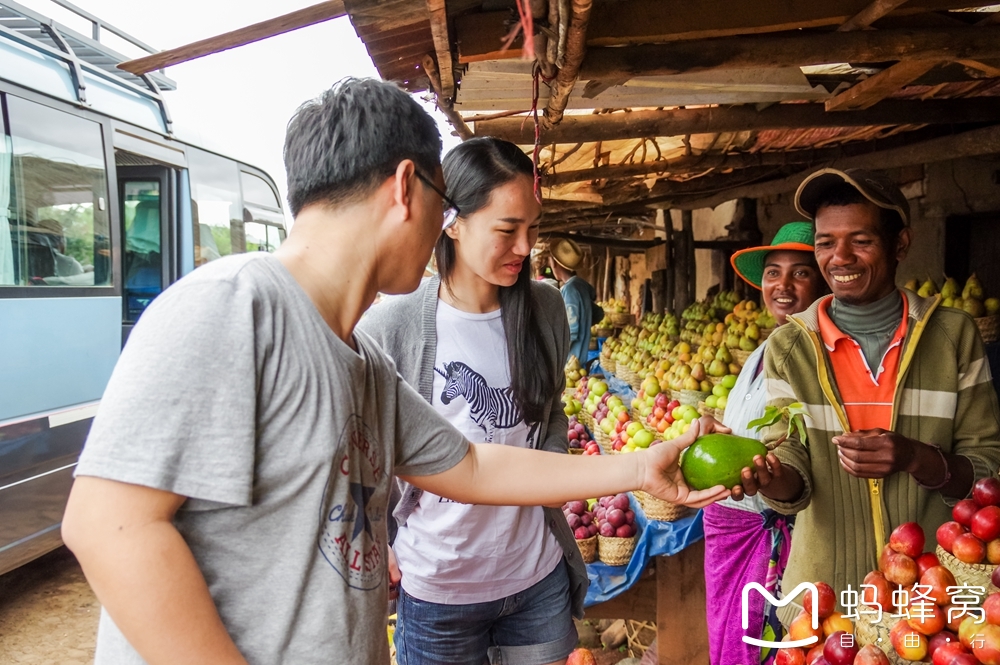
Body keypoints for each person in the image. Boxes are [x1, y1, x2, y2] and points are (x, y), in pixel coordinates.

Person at [60, 78, 729, 665]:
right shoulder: (233, 305)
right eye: (446, 200)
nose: (445, 221)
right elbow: (108, 525)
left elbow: (471, 466)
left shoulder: (366, 364)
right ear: (408, 186)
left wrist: (640, 467)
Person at [359, 137, 584, 665]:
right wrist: (380, 539)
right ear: (452, 222)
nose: (526, 248)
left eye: (533, 229)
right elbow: (363, 445)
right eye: (507, 230)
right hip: (440, 589)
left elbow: (550, 411)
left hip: (537, 579)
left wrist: (554, 475)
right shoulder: (393, 323)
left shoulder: (545, 309)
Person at [738, 168, 1000, 621]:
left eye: (861, 240)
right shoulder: (790, 346)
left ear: (900, 245)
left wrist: (918, 458)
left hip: (932, 593)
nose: (840, 258)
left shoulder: (953, 336)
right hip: (824, 597)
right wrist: (768, 476)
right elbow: (792, 460)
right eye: (825, 242)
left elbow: (989, 468)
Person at [702, 222, 828, 665]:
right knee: (731, 638)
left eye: (801, 273)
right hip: (730, 523)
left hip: (774, 526)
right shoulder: (764, 349)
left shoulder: (821, 356)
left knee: (769, 644)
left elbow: (803, 455)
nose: (783, 286)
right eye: (773, 273)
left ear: (826, 278)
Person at [549, 238, 601, 364]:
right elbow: (599, 313)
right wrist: (585, 321)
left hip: (571, 362)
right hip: (581, 357)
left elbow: (571, 330)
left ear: (554, 263)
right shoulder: (581, 285)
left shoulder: (570, 290)